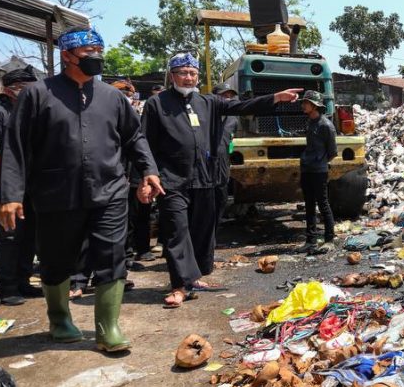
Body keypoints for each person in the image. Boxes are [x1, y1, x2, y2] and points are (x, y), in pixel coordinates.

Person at [0, 26, 163, 352]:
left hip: (110, 192)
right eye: (89, 54)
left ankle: (108, 329)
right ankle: (60, 320)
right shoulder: (37, 94)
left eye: (99, 52)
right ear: (67, 56)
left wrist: (149, 170)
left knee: (112, 256)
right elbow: (15, 146)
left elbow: (133, 137)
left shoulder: (113, 97)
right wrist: (10, 195)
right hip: (56, 194)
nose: (96, 59)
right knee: (56, 260)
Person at [142, 52, 301, 308]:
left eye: (193, 73)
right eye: (183, 72)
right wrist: (146, 175)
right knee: (176, 231)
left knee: (202, 230)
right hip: (172, 180)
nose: (189, 77)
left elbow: (241, 106)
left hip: (204, 178)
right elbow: (145, 142)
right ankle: (180, 285)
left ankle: (195, 276)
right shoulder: (156, 105)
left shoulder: (209, 102)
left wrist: (275, 98)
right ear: (172, 75)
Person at [0, 66, 41, 305]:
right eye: (24, 89)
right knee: (10, 236)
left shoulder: (30, 114)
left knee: (30, 234)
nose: (29, 93)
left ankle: (23, 281)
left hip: (31, 186)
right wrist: (5, 188)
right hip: (5, 187)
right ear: (9, 90)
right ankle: (8, 287)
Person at [112, 80, 156, 263]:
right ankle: (125, 254)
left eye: (129, 94)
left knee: (141, 214)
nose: (127, 98)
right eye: (123, 94)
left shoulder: (139, 117)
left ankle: (141, 249)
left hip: (138, 175)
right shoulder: (107, 117)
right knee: (122, 219)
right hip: (116, 177)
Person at [299, 90, 338, 255]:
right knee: (308, 205)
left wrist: (320, 162)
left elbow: (333, 152)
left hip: (319, 171)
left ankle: (329, 240)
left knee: (323, 203)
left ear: (314, 105)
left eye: (305, 103)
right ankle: (310, 240)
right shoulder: (309, 122)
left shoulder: (326, 125)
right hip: (307, 169)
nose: (303, 105)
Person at [212, 83, 240, 224]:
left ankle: (215, 224)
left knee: (222, 197)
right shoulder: (207, 116)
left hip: (223, 162)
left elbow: (231, 139)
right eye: (224, 95)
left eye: (230, 96)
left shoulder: (233, 119)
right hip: (207, 162)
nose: (228, 99)